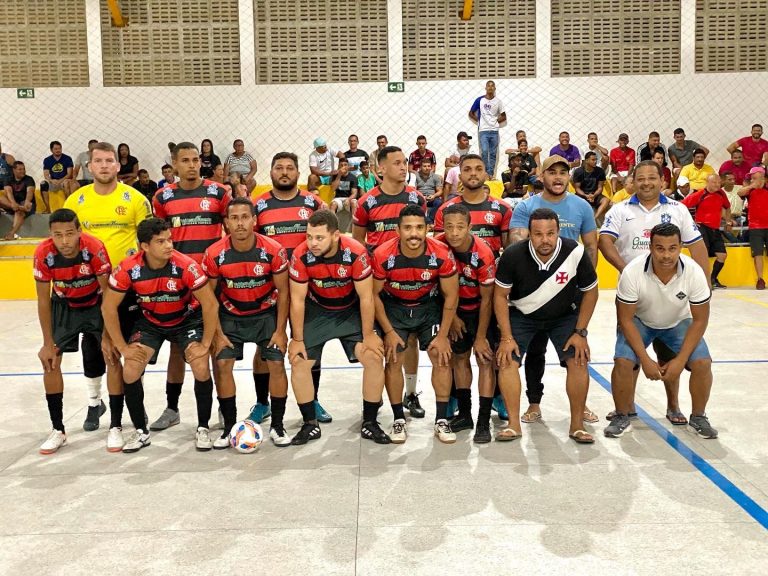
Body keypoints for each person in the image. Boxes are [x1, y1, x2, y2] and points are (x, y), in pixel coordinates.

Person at [599, 159, 710, 424]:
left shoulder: (678, 209)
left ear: (663, 181)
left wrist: (703, 285)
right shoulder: (620, 209)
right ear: (632, 182)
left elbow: (697, 246)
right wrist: (628, 270)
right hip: (633, 297)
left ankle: (674, 407)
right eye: (641, 178)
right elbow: (604, 241)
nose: (646, 183)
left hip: (673, 297)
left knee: (669, 354)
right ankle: (626, 407)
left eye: (652, 178)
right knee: (629, 355)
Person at [102, 217, 219, 452]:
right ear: (144, 246)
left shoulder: (186, 266)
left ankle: (203, 428)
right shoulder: (128, 268)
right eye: (161, 241)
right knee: (130, 368)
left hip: (186, 320)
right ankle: (141, 432)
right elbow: (108, 307)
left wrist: (206, 343)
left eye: (170, 240)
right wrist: (123, 347)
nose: (169, 246)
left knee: (200, 364)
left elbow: (210, 304)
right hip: (151, 322)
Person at [63, 142, 152, 447]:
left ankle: (136, 404)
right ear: (89, 166)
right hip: (89, 286)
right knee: (93, 347)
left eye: (109, 161)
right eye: (98, 161)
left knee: (132, 347)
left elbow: (147, 242)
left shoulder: (136, 199)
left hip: (127, 287)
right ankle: (94, 401)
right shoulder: (76, 200)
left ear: (118, 165)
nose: (103, 165)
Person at [495, 207, 599, 443]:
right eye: (538, 234)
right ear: (529, 234)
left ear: (559, 232)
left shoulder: (575, 251)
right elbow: (500, 296)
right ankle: (513, 425)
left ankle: (577, 426)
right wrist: (506, 338)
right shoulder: (513, 254)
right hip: (522, 315)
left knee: (578, 359)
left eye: (550, 233)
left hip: (564, 316)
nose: (545, 240)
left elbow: (591, 292)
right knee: (506, 360)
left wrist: (581, 332)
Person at [605, 223, 718, 439]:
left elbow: (700, 320)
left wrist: (680, 360)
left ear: (681, 247)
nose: (666, 255)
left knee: (703, 362)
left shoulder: (694, 272)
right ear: (650, 247)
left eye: (672, 248)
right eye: (660, 248)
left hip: (678, 322)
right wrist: (645, 360)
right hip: (641, 321)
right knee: (623, 361)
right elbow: (625, 320)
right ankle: (621, 416)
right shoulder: (632, 271)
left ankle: (698, 417)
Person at [510, 155, 599, 425]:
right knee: (535, 353)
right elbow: (516, 243)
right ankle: (534, 403)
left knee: (576, 353)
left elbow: (591, 247)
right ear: (542, 176)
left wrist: (583, 285)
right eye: (552, 172)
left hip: (569, 295)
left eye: (563, 172)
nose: (558, 177)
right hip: (534, 296)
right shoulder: (526, 206)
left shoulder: (582, 206)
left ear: (569, 176)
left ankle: (580, 407)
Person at [289, 210, 390, 444]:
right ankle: (309, 424)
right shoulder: (300, 255)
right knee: (299, 361)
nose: (313, 243)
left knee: (374, 357)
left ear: (335, 235)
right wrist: (297, 339)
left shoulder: (355, 252)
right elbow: (297, 300)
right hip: (317, 310)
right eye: (309, 236)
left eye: (319, 238)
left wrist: (369, 334)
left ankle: (370, 422)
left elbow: (366, 297)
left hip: (350, 310)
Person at [150, 142, 231, 432]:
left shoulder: (219, 193)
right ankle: (172, 409)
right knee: (177, 348)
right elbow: (159, 239)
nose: (192, 165)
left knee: (216, 346)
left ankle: (223, 407)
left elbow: (230, 234)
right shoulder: (163, 197)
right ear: (174, 164)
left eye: (196, 160)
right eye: (185, 160)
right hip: (179, 283)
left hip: (212, 282)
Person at [202, 197, 291, 448]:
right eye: (234, 218)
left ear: (254, 220)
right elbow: (209, 298)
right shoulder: (214, 253)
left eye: (244, 217)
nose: (240, 223)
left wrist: (280, 330)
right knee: (223, 363)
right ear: (226, 223)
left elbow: (284, 291)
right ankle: (229, 428)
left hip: (266, 314)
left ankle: (278, 425)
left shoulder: (273, 249)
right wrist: (217, 333)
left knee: (276, 363)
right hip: (230, 315)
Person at [372, 204, 459, 443]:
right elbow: (373, 295)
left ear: (427, 229)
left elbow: (451, 295)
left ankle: (441, 420)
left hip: (428, 308)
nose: (414, 233)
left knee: (441, 356)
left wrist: (443, 335)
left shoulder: (441, 253)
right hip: (394, 308)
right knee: (393, 357)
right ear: (398, 230)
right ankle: (398, 419)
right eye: (408, 228)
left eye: (420, 228)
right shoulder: (382, 254)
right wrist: (388, 331)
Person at [353, 146, 429, 418]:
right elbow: (358, 243)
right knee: (383, 342)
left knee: (410, 340)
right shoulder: (367, 202)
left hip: (411, 280)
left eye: (404, 162)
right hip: (379, 284)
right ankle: (377, 397)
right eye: (397, 163)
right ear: (380, 169)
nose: (403, 166)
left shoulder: (417, 198)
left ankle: (411, 394)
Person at [253, 152, 327, 423]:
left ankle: (313, 400)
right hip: (268, 290)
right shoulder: (258, 205)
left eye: (289, 168)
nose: (284, 172)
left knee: (310, 346)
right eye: (279, 168)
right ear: (271, 172)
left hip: (307, 290)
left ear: (298, 172)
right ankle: (262, 403)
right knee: (265, 348)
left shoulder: (313, 203)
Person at [32, 209, 113, 454]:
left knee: (113, 355)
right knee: (50, 362)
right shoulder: (43, 253)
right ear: (50, 234)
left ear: (79, 231)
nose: (64, 241)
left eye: (69, 233)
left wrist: (109, 336)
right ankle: (58, 429)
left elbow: (108, 294)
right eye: (58, 235)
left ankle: (117, 424)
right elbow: (43, 300)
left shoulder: (94, 248)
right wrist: (47, 342)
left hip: (96, 303)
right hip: (64, 305)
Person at [437, 203, 497, 443]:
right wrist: (452, 318)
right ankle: (465, 415)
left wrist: (481, 337)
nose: (454, 233)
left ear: (470, 227)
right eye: (449, 227)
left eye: (460, 227)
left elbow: (488, 300)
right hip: (455, 311)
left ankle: (483, 421)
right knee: (459, 359)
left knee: (485, 360)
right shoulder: (438, 246)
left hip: (481, 311)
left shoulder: (483, 253)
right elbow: (437, 287)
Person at [681, 174, 732, 289]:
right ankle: (701, 281)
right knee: (702, 256)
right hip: (702, 227)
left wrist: (728, 221)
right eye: (714, 182)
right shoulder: (700, 194)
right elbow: (682, 206)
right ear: (707, 183)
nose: (717, 185)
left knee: (722, 255)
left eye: (719, 183)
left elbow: (727, 207)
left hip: (715, 228)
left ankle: (713, 279)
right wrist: (691, 222)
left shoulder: (721, 193)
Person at [737, 166, 768, 289]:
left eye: (754, 178)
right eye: (752, 178)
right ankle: (760, 279)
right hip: (755, 226)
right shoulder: (749, 190)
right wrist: (751, 186)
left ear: (762, 178)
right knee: (758, 254)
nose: (752, 180)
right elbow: (739, 193)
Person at [469, 80, 506, 177]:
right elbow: (471, 113)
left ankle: (490, 174)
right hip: (483, 131)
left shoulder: (498, 101)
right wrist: (479, 121)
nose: (490, 88)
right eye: (488, 86)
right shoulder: (480, 100)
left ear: (495, 88)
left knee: (493, 153)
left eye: (492, 86)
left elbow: (504, 116)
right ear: (485, 88)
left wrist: (495, 122)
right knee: (484, 152)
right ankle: (486, 173)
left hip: (494, 131)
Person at [2, 161, 35, 240]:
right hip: (13, 204)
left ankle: (11, 233)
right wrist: (13, 204)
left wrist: (27, 201)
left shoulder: (29, 179)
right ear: (14, 170)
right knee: (1, 198)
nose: (23, 171)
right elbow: (8, 192)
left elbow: (30, 192)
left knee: (19, 212)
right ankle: (19, 207)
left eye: (24, 169)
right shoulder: (8, 179)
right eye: (20, 169)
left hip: (25, 204)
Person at [572, 151, 609, 222]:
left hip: (595, 195)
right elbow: (577, 188)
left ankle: (594, 219)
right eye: (593, 160)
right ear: (586, 160)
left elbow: (600, 187)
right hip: (582, 195)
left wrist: (594, 195)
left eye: (596, 160)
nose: (595, 162)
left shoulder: (600, 171)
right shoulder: (579, 171)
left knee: (606, 200)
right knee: (573, 201)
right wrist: (586, 196)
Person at [41, 141, 76, 211]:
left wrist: (60, 181)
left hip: (64, 181)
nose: (58, 150)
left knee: (66, 183)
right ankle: (47, 208)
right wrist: (51, 180)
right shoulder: (47, 160)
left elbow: (69, 174)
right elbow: (46, 175)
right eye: (56, 149)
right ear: (51, 150)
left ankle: (69, 207)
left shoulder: (67, 158)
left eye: (59, 148)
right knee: (43, 184)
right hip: (54, 182)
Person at [413, 157, 442, 223]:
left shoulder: (435, 177)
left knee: (439, 202)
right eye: (425, 166)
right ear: (420, 167)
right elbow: (413, 189)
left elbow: (440, 191)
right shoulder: (415, 176)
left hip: (431, 197)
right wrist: (421, 196)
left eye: (429, 166)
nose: (427, 168)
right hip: (420, 197)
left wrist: (433, 196)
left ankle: (430, 220)